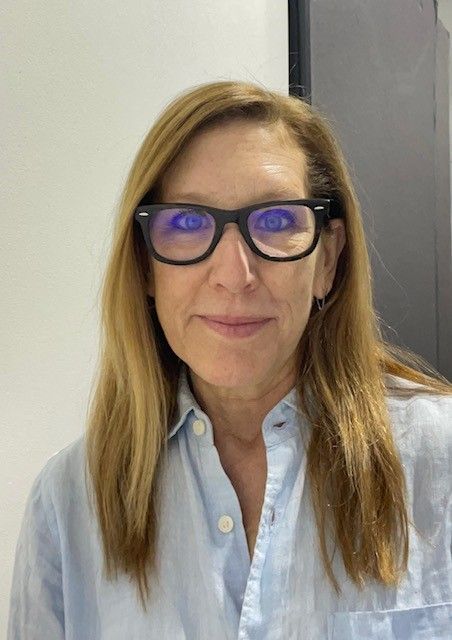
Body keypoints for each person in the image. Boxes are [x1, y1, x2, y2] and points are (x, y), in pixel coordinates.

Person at [7, 80, 452, 640]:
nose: (235, 276)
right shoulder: (67, 507)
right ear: (146, 267)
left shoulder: (441, 460)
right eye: (187, 224)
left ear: (328, 259)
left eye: (276, 221)